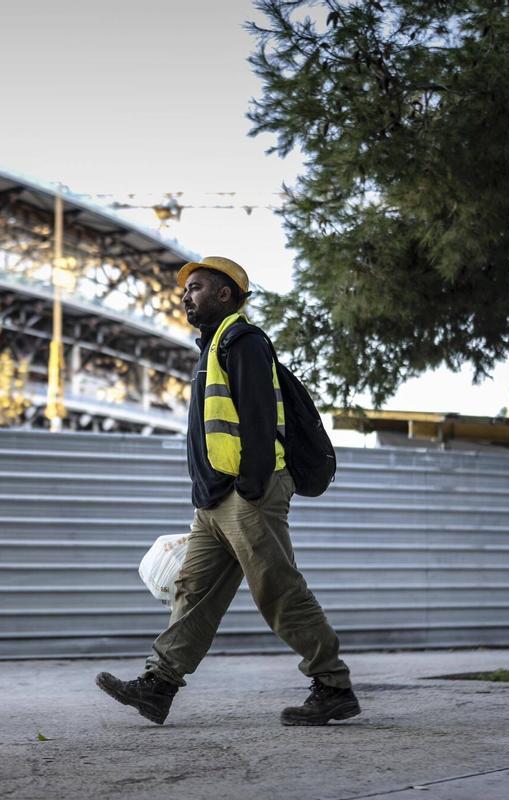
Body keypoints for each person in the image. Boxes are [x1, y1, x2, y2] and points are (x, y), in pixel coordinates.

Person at [95, 256, 360, 727]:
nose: (185, 295)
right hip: (214, 501)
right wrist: (209, 492)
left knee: (277, 589)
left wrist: (252, 487)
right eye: (186, 288)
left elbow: (260, 419)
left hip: (248, 495)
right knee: (193, 591)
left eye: (196, 287)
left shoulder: (244, 341)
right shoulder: (212, 348)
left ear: (225, 294)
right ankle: (159, 685)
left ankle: (333, 685)